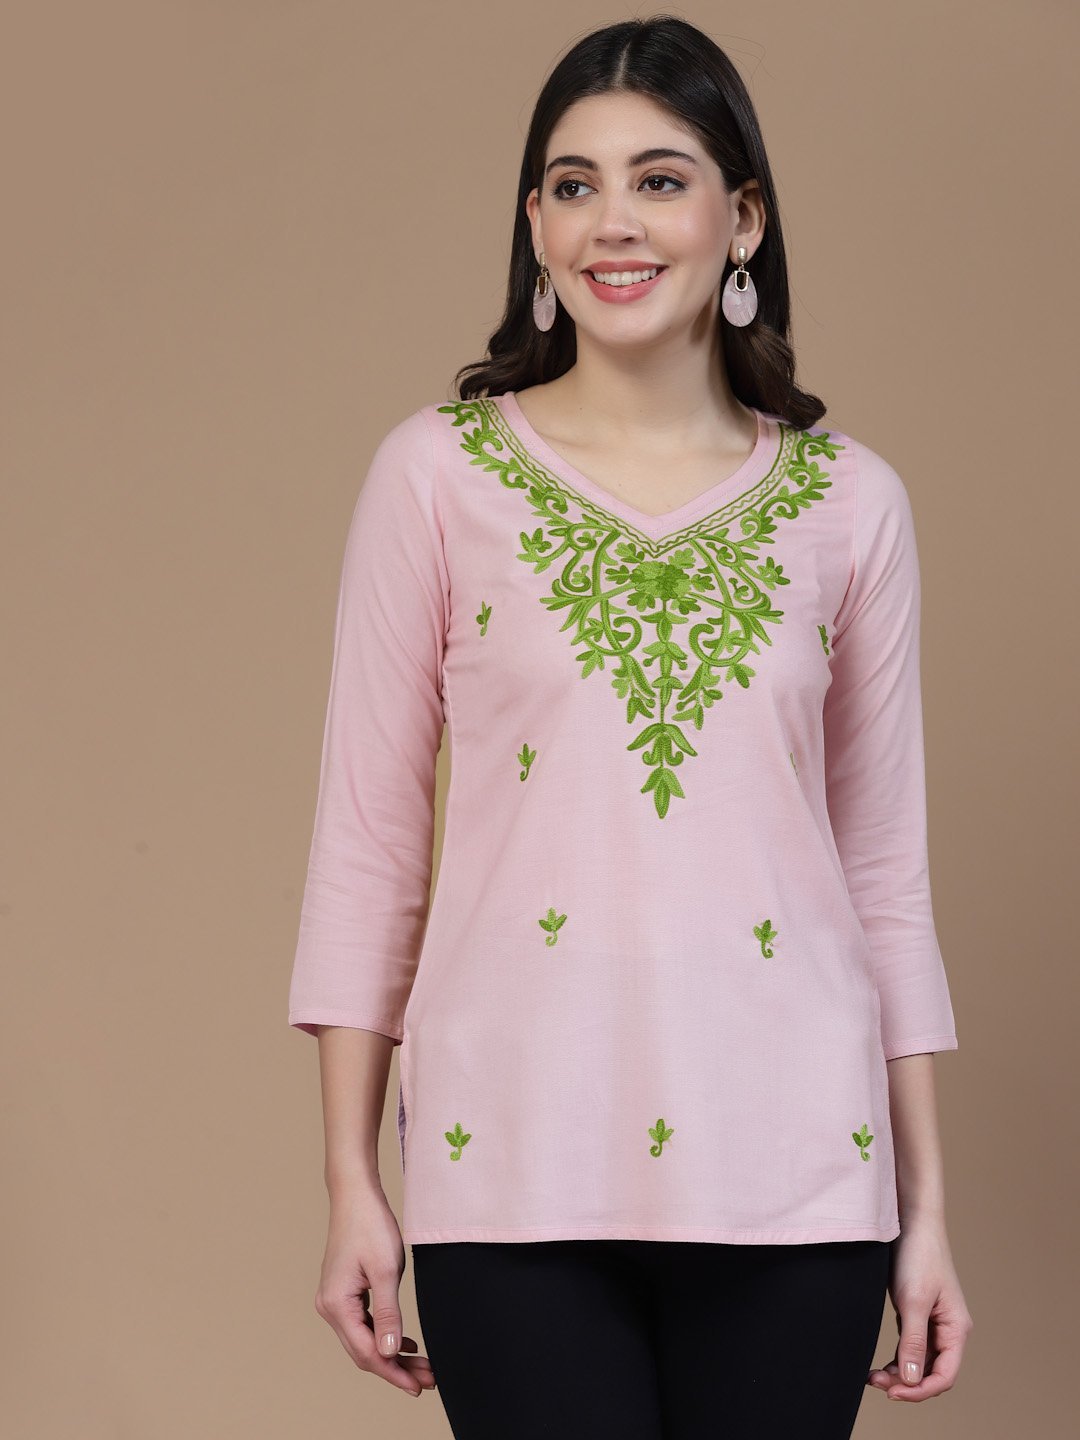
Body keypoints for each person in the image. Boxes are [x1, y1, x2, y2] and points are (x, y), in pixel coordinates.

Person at [287, 14, 973, 1438]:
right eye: (572, 184)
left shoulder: (852, 503)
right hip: (509, 1162)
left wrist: (925, 1213)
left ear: (744, 220)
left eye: (661, 180)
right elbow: (369, 850)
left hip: (798, 1172)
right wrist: (352, 1179)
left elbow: (884, 878)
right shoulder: (436, 478)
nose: (615, 222)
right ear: (536, 228)